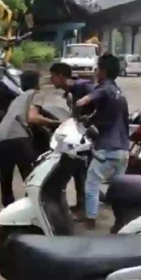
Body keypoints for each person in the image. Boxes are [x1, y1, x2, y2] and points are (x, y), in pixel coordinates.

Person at [73, 53, 130, 229]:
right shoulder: (119, 93)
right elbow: (107, 116)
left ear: (104, 71)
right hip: (123, 149)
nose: (96, 72)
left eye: (98, 69)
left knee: (91, 182)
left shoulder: (103, 88)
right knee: (118, 189)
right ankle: (121, 221)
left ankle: (90, 220)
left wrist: (77, 105)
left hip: (108, 148)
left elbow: (85, 101)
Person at [0, 70, 60, 207]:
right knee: (32, 175)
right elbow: (32, 117)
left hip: (0, 138)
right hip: (17, 137)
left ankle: (9, 211)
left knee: (6, 178)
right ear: (36, 83)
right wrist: (55, 123)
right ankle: (34, 208)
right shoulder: (36, 94)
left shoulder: (18, 98)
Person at [49, 62, 91, 209]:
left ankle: (85, 208)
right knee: (78, 171)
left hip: (90, 135)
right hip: (81, 136)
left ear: (60, 76)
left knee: (81, 171)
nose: (51, 80)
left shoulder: (81, 87)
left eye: (53, 76)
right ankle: (81, 205)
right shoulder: (71, 91)